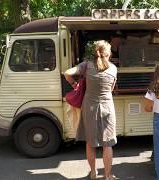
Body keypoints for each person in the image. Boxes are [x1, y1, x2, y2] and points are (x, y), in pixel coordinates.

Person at [64, 40, 117, 180]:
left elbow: (67, 73)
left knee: (90, 142)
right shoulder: (113, 68)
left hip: (90, 107)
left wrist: (74, 84)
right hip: (107, 107)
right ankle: (108, 175)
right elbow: (111, 89)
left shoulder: (86, 65)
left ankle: (93, 173)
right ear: (108, 53)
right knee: (107, 143)